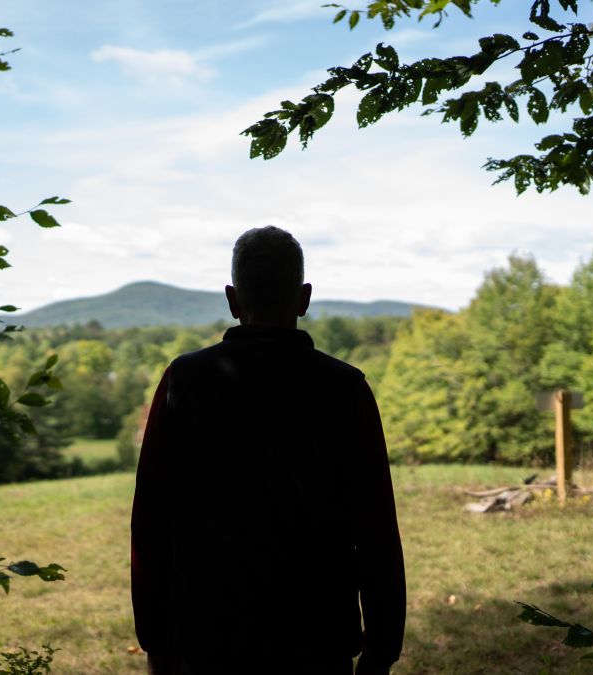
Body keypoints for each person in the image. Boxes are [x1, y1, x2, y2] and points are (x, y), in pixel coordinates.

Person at [131, 226, 406, 675]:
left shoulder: (185, 381)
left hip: (205, 638)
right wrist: (381, 650)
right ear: (304, 298)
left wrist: (156, 642)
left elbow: (151, 522)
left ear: (232, 299)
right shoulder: (344, 389)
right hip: (317, 640)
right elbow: (376, 529)